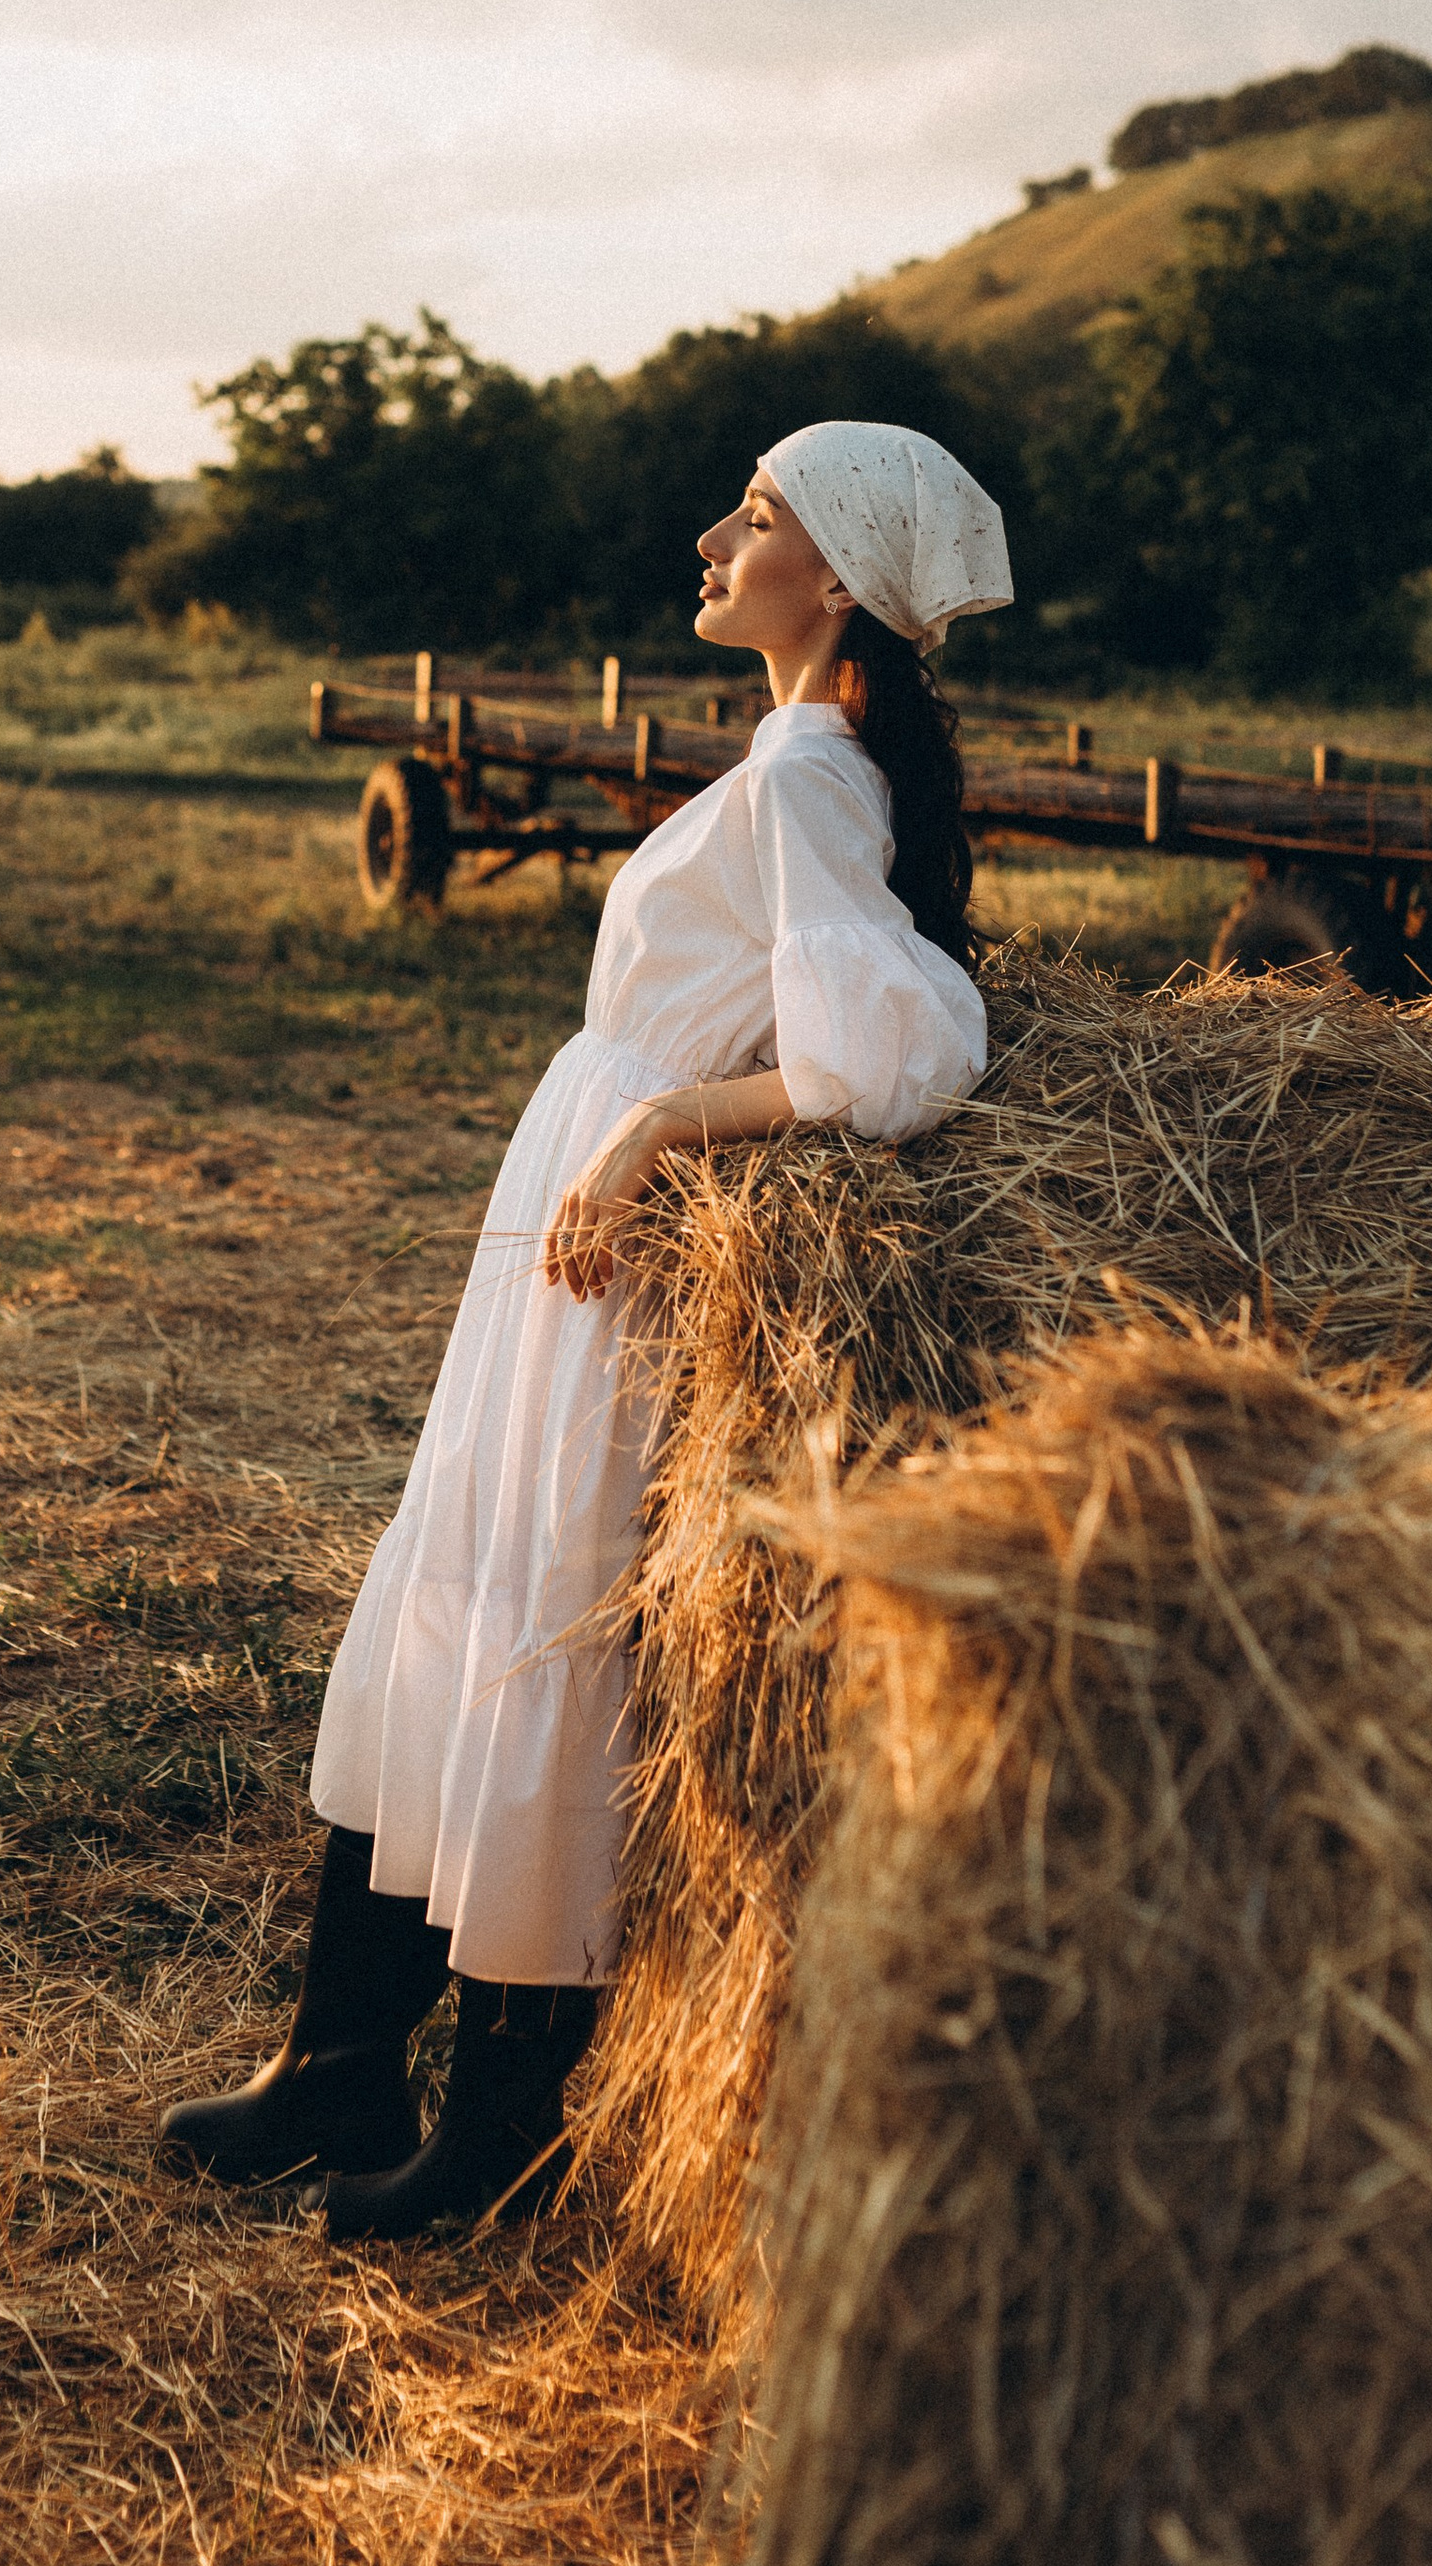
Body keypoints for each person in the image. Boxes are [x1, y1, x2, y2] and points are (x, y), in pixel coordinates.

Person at [158, 419, 1012, 2241]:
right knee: (465, 1581)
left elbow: (898, 1052)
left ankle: (502, 2135)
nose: (713, 534)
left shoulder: (805, 782)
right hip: (564, 1238)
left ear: (839, 580)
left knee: (530, 1615)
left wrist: (659, 1123)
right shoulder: (803, 757)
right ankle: (335, 2064)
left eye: (759, 515)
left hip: (607, 1250)